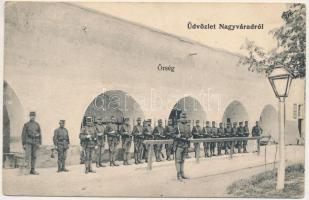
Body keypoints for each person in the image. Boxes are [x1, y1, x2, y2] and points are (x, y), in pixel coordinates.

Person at [174, 113, 192, 181]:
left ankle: (182, 174)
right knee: (178, 160)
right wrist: (177, 136)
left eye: (185, 117)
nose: (184, 119)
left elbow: (190, 133)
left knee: (183, 160)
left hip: (185, 145)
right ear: (180, 118)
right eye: (183, 117)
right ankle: (178, 175)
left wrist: (189, 136)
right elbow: (173, 134)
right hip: (179, 145)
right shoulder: (177, 125)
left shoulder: (188, 125)